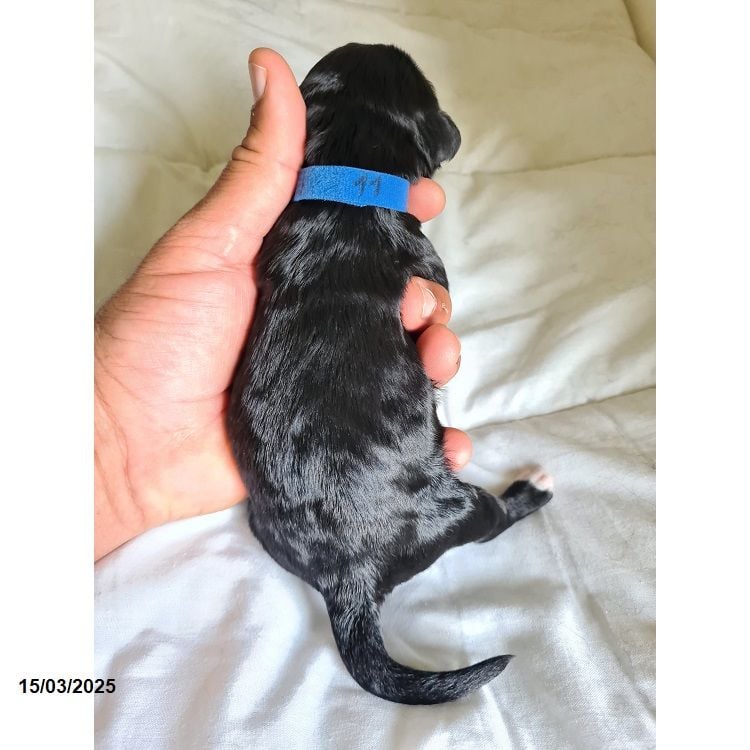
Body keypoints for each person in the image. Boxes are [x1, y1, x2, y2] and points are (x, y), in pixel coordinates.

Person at [94, 48, 472, 561]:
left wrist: (108, 447)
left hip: (273, 511)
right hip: (296, 507)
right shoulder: (379, 227)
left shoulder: (282, 234)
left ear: (301, 122)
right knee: (427, 330)